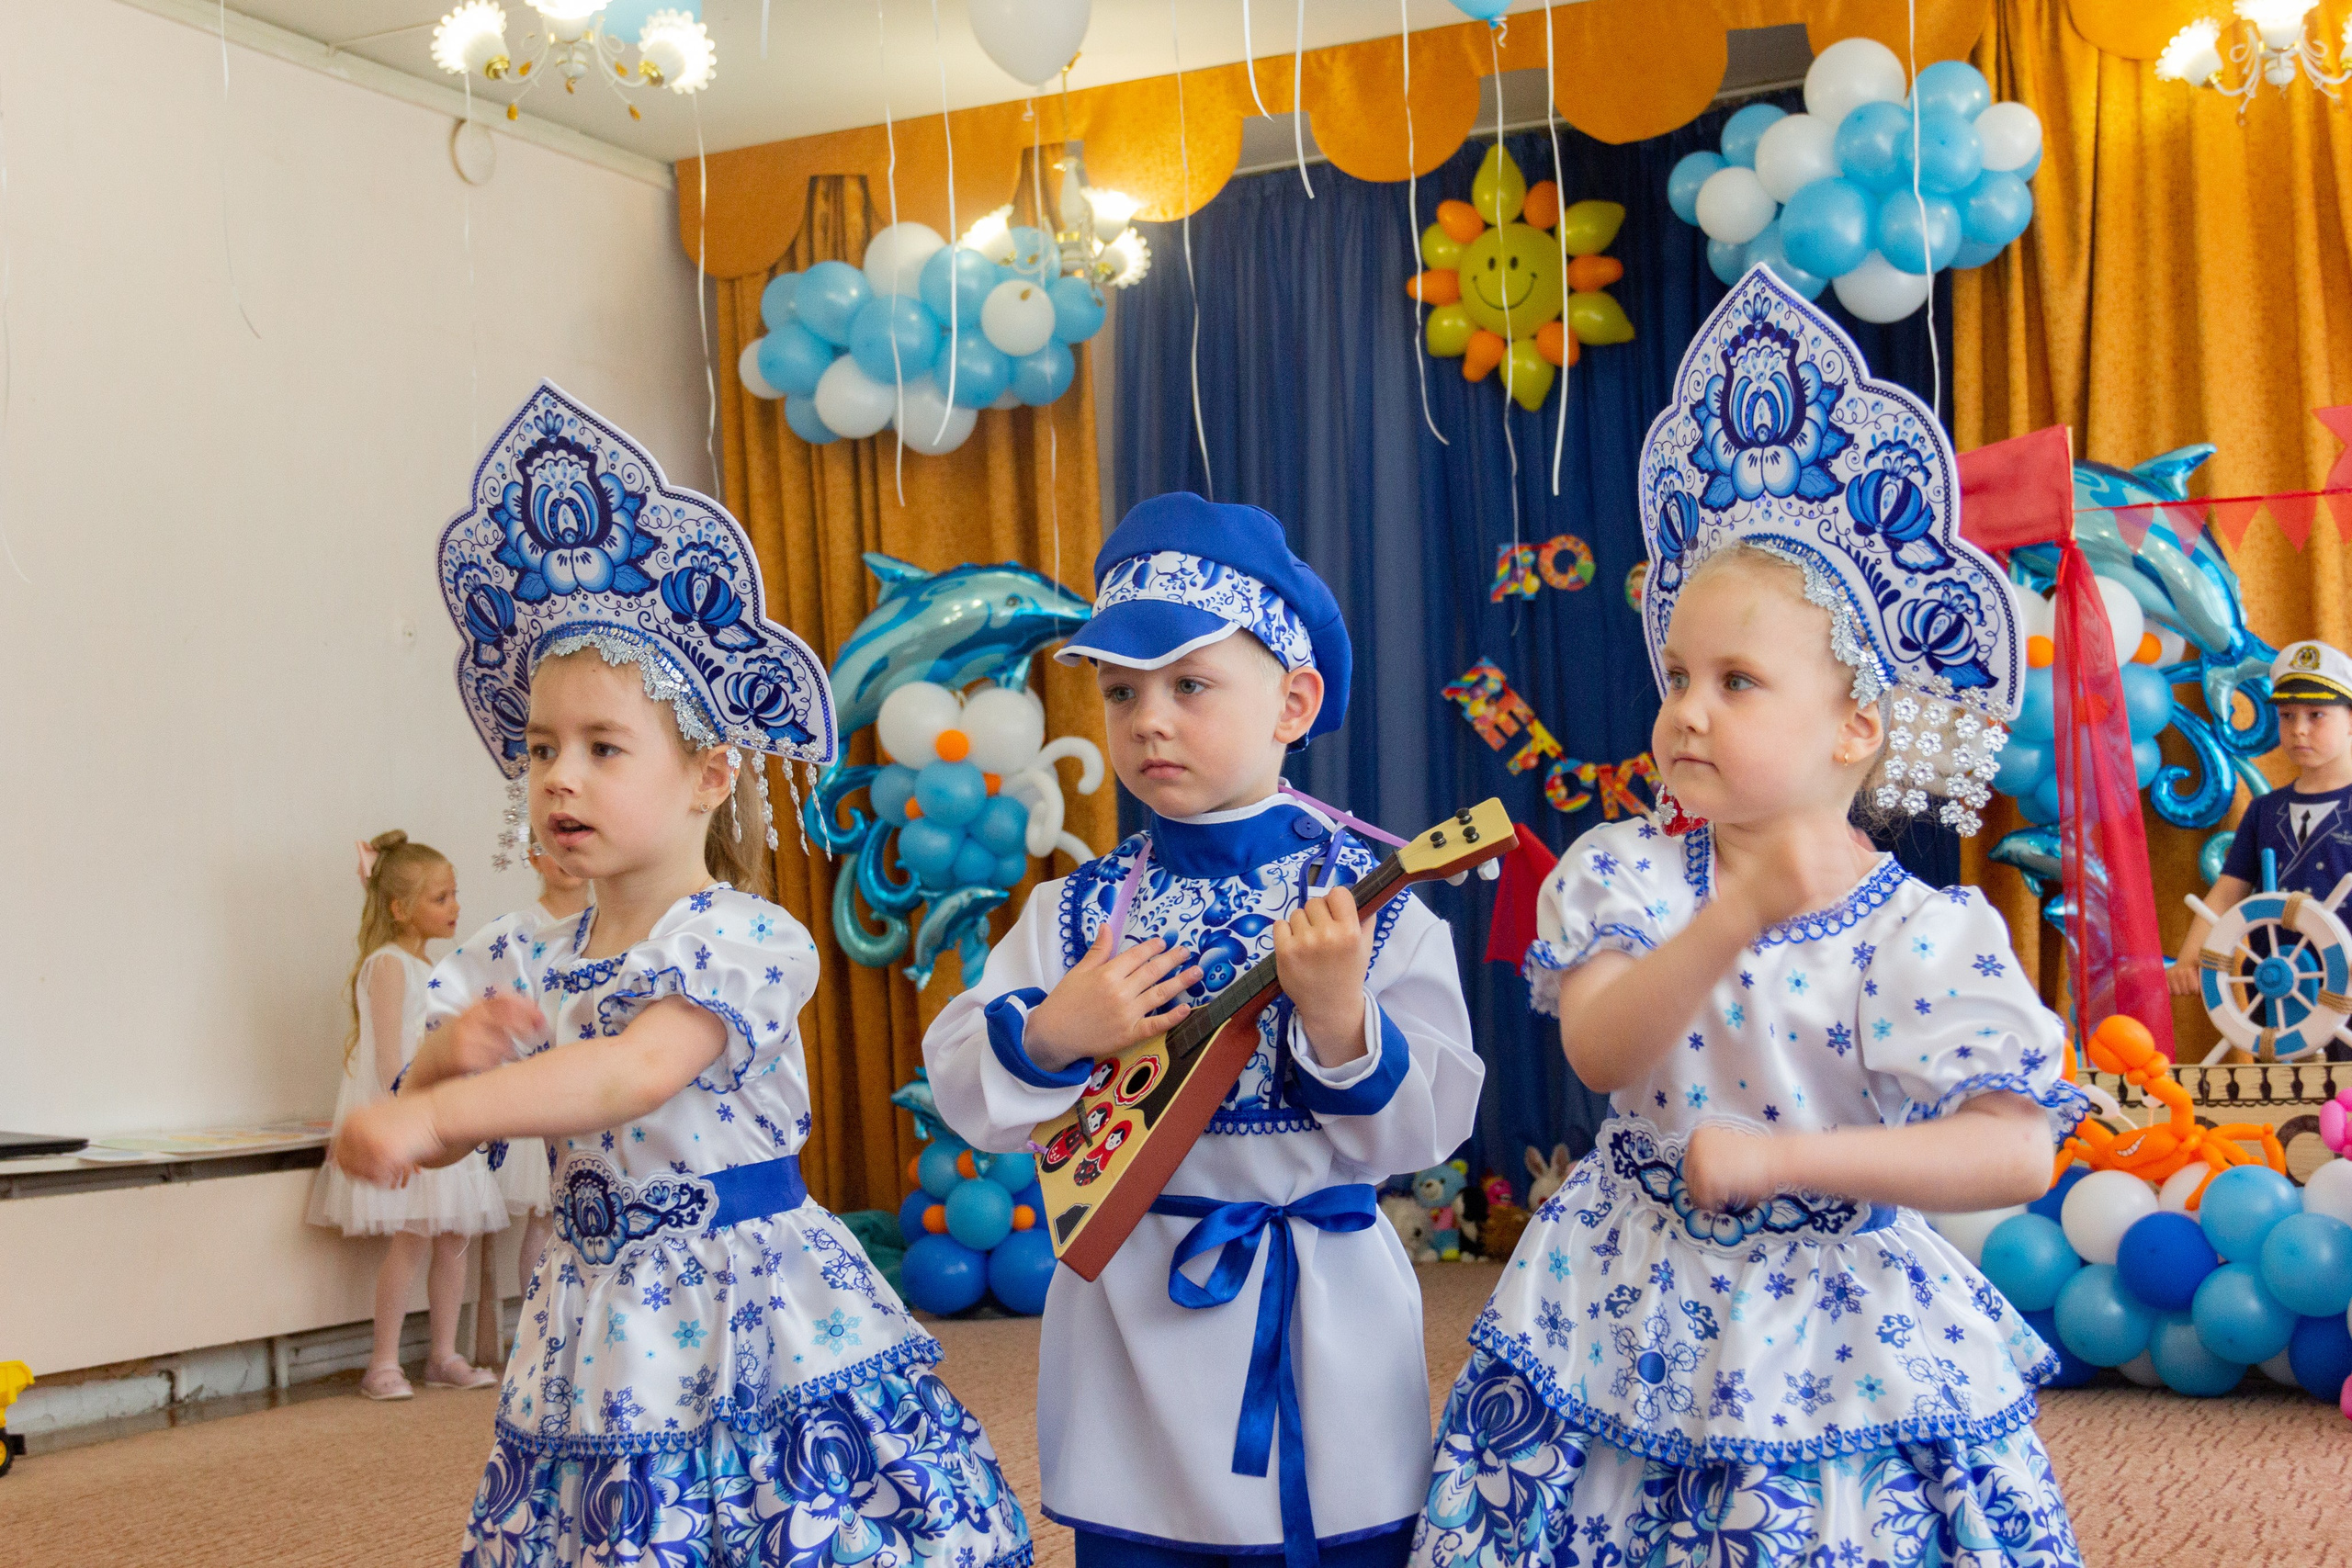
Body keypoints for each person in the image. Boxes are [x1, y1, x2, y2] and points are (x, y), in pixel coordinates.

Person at [1412, 271, 2089, 1567]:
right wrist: (1732, 919)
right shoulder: (1627, 871)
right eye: (1676, 674)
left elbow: (2012, 1152)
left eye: (1736, 681)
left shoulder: (1921, 934)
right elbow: (1601, 1049)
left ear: (1856, 727)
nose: (1687, 710)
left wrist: (1786, 1164)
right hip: (1621, 1292)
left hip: (1835, 1315)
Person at [332, 384, 1029, 1568]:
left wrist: (442, 1109)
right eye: (541, 749)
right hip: (592, 1315)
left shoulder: (741, 939)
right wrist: (440, 1067)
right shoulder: (513, 955)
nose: (560, 778)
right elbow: (431, 1140)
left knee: (771, 1514)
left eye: (603, 748)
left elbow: (633, 1072)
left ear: (708, 776)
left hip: (748, 1300)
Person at [925, 492, 1484, 1568]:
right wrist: (1051, 1033)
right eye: (1120, 691)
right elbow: (961, 1079)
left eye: (1189, 684)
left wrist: (1340, 1019)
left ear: (1293, 702)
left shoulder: (1373, 902)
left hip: (1318, 1316)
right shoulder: (1073, 911)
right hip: (1130, 1330)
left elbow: (1428, 1129)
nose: (1148, 720)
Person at [307, 829, 506, 1401]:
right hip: (413, 1116)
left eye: (454, 894)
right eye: (440, 897)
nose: (454, 906)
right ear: (399, 908)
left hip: (442, 1118)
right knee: (413, 1238)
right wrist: (407, 1127)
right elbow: (389, 1058)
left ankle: (444, 1354)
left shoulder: (433, 967)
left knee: (455, 1237)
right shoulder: (388, 965)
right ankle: (382, 1363)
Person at [2170, 639, 2352, 1009]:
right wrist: (2190, 957)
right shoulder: (2264, 811)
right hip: (2276, 993)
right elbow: (2227, 892)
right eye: (2287, 716)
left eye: (2316, 715)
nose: (2299, 729)